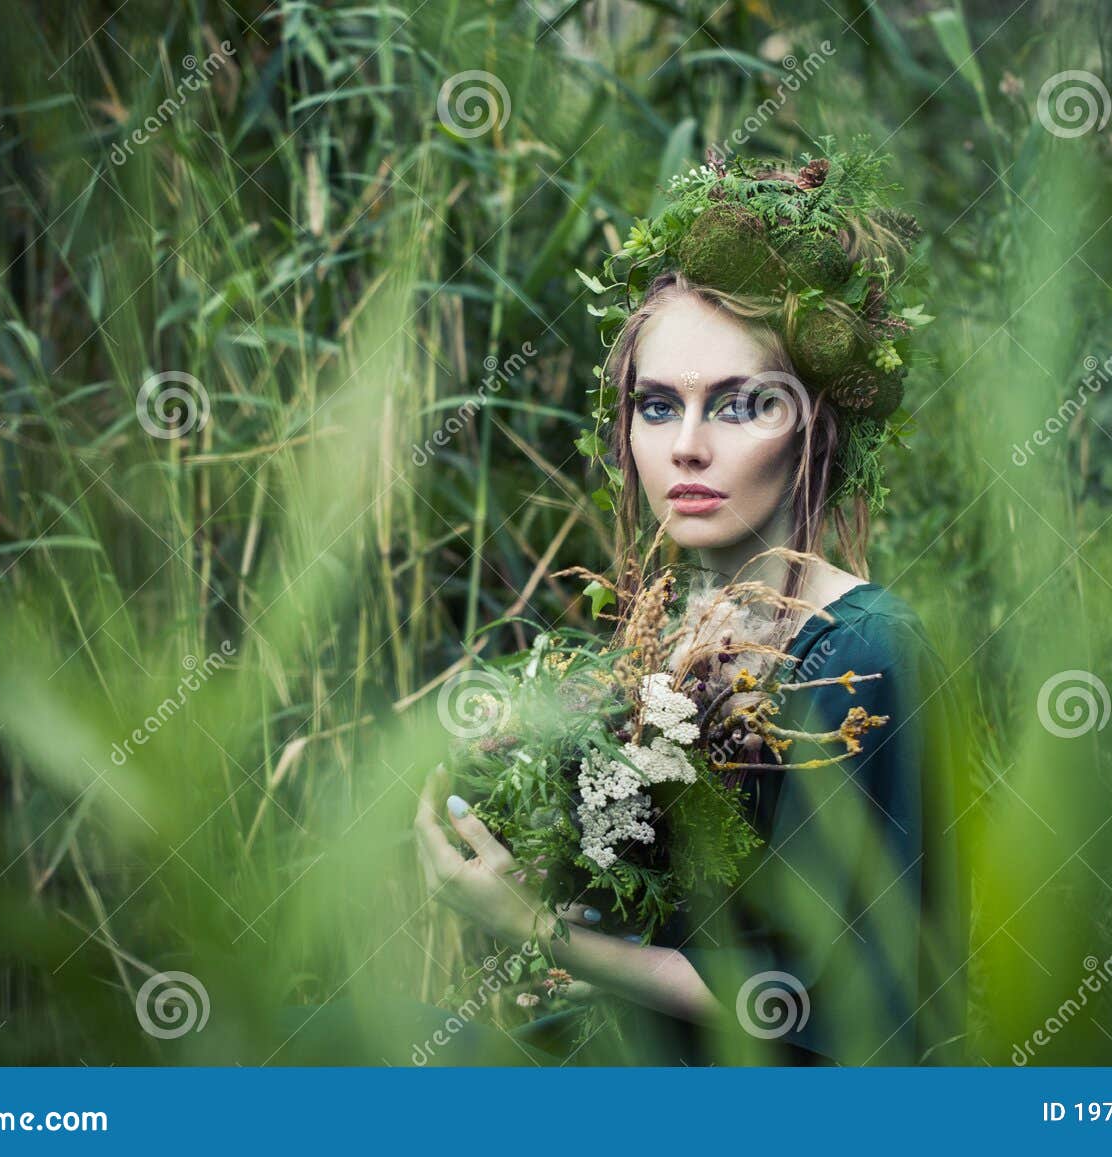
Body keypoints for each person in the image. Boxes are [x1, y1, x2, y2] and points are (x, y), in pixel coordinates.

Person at [413, 147, 971, 1066]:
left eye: (746, 404)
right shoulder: (674, 636)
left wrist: (538, 930)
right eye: (659, 406)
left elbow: (838, 1003)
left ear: (818, 427)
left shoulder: (864, 655)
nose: (690, 446)